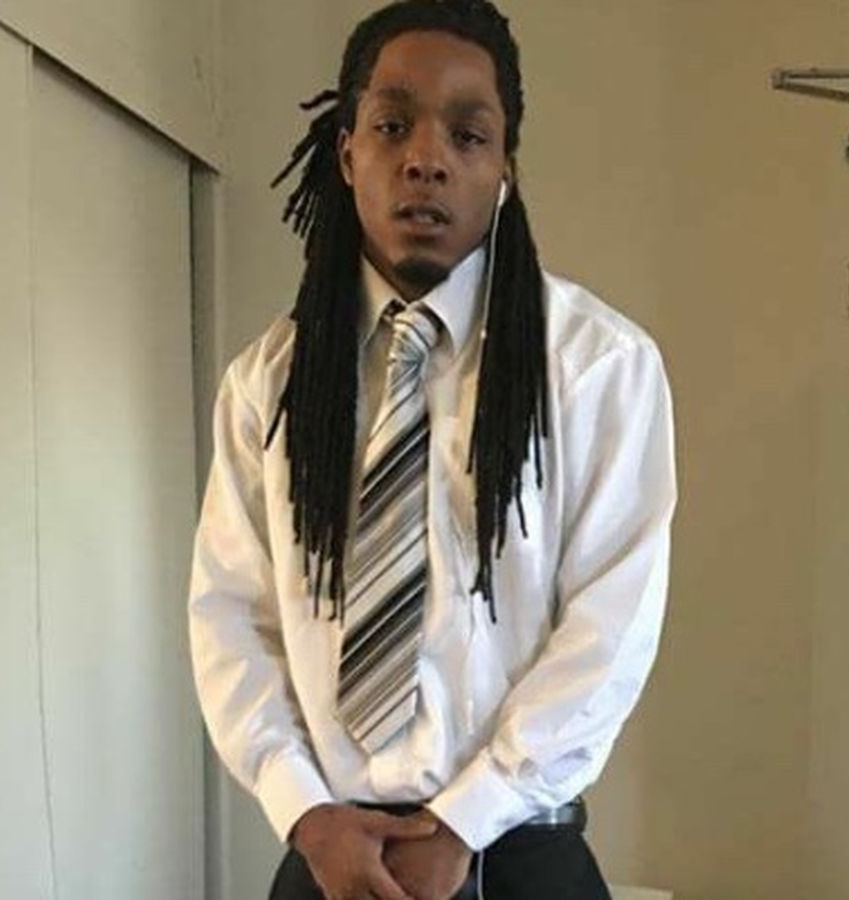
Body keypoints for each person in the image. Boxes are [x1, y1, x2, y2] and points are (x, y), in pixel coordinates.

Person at [187, 1, 678, 897]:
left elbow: (612, 622)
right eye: (392, 125)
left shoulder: (597, 367)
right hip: (331, 853)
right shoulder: (269, 383)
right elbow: (231, 618)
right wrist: (306, 812)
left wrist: (465, 818)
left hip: (519, 854)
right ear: (347, 154)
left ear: (504, 168)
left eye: (469, 134)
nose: (427, 158)